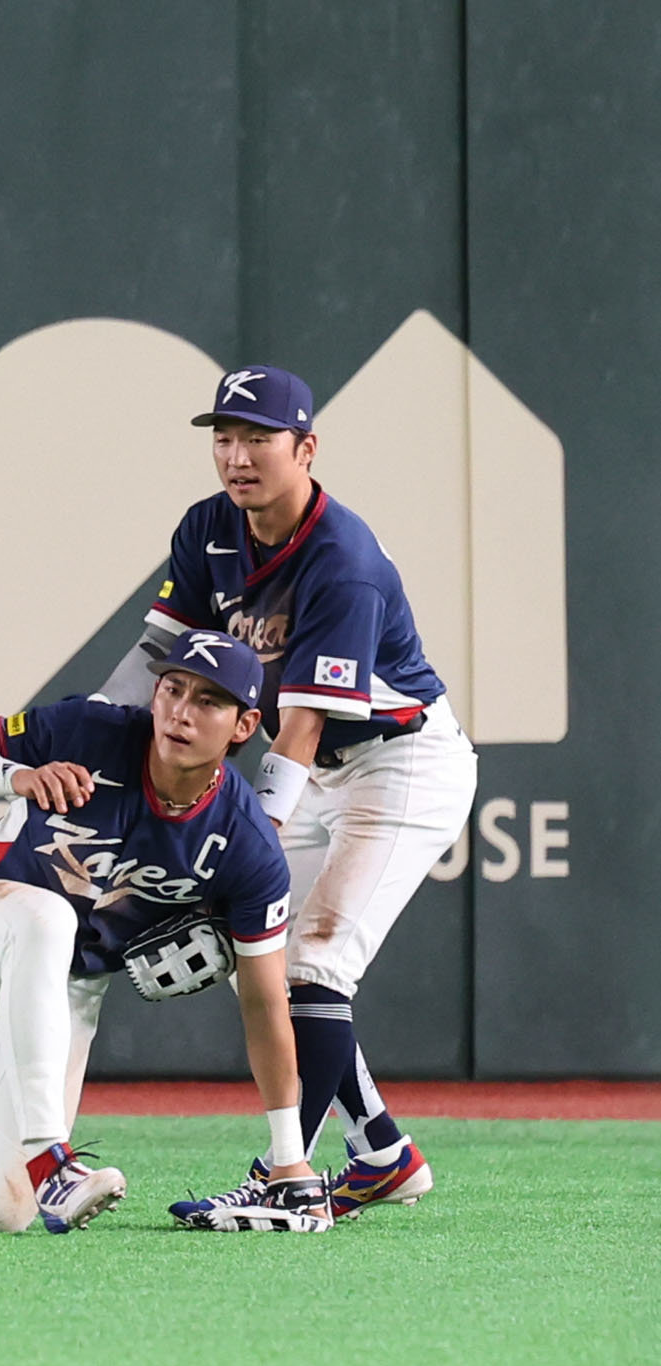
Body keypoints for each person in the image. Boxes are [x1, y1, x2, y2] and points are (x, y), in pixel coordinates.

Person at [98, 364, 478, 1224]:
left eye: (258, 439)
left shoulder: (342, 561)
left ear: (305, 448)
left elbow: (298, 728)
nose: (236, 457)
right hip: (321, 769)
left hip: (400, 766)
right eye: (223, 438)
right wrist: (87, 734)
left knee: (309, 968)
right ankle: (378, 1150)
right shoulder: (208, 528)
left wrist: (248, 844)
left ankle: (288, 1177)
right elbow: (159, 660)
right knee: (263, 956)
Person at [0, 628, 327, 1236]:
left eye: (208, 700)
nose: (180, 711)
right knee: (49, 917)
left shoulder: (245, 842)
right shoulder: (92, 731)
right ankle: (53, 1163)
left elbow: (263, 1001)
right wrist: (14, 776)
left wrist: (289, 1156)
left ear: (244, 724)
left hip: (65, 994)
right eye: (172, 688)